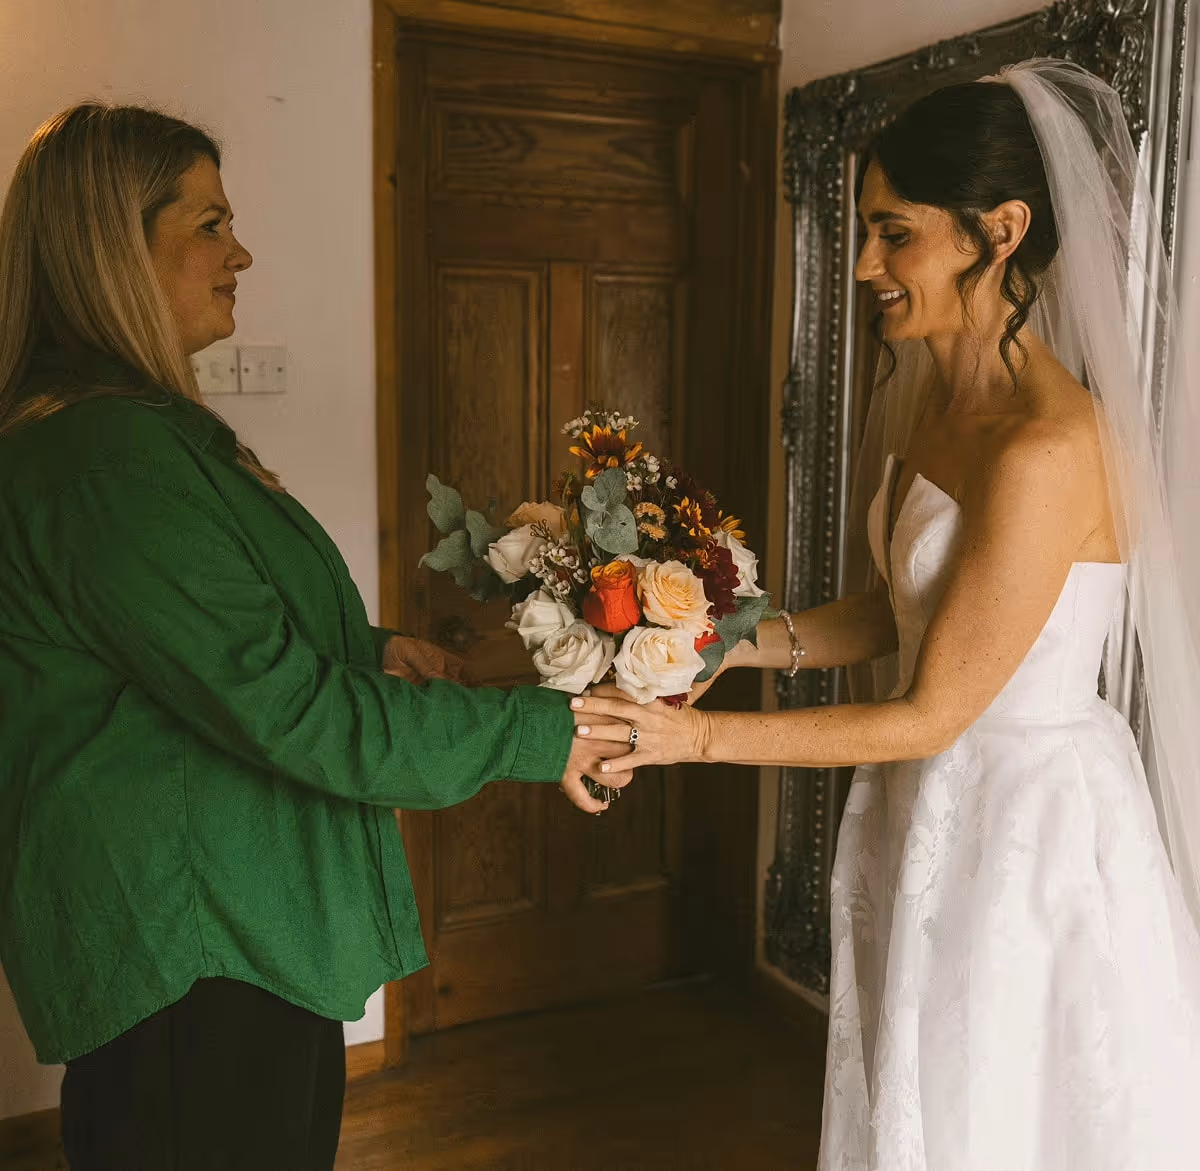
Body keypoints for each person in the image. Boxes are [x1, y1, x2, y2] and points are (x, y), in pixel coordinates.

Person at [574, 61, 1200, 1168]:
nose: (866, 265)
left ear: (997, 231)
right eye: (867, 232)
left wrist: (696, 737)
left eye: (892, 233)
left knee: (1002, 1112)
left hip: (1025, 833)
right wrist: (722, 640)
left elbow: (929, 709)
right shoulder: (940, 397)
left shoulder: (1048, 448)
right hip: (933, 803)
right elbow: (897, 607)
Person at [0, 103, 630, 1170]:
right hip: (195, 950)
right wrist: (544, 733)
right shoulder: (109, 460)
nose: (239, 250)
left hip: (232, 929)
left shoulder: (142, 434)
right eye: (209, 223)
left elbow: (204, 644)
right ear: (114, 246)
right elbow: (282, 705)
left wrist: (372, 647)